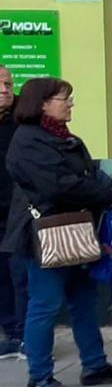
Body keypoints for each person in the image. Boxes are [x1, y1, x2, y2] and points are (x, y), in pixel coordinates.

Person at [3, 78, 112, 387]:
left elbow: (82, 175)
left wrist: (104, 185)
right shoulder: (29, 142)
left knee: (84, 301)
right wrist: (107, 195)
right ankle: (39, 375)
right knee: (45, 305)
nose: (70, 104)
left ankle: (95, 365)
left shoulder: (62, 137)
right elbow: (59, 185)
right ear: (43, 104)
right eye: (64, 98)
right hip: (47, 236)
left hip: (75, 231)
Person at [0, 65, 26, 361]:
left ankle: (23, 335)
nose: (5, 90)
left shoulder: (23, 118)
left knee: (21, 275)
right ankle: (9, 332)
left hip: (17, 213)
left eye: (8, 84)